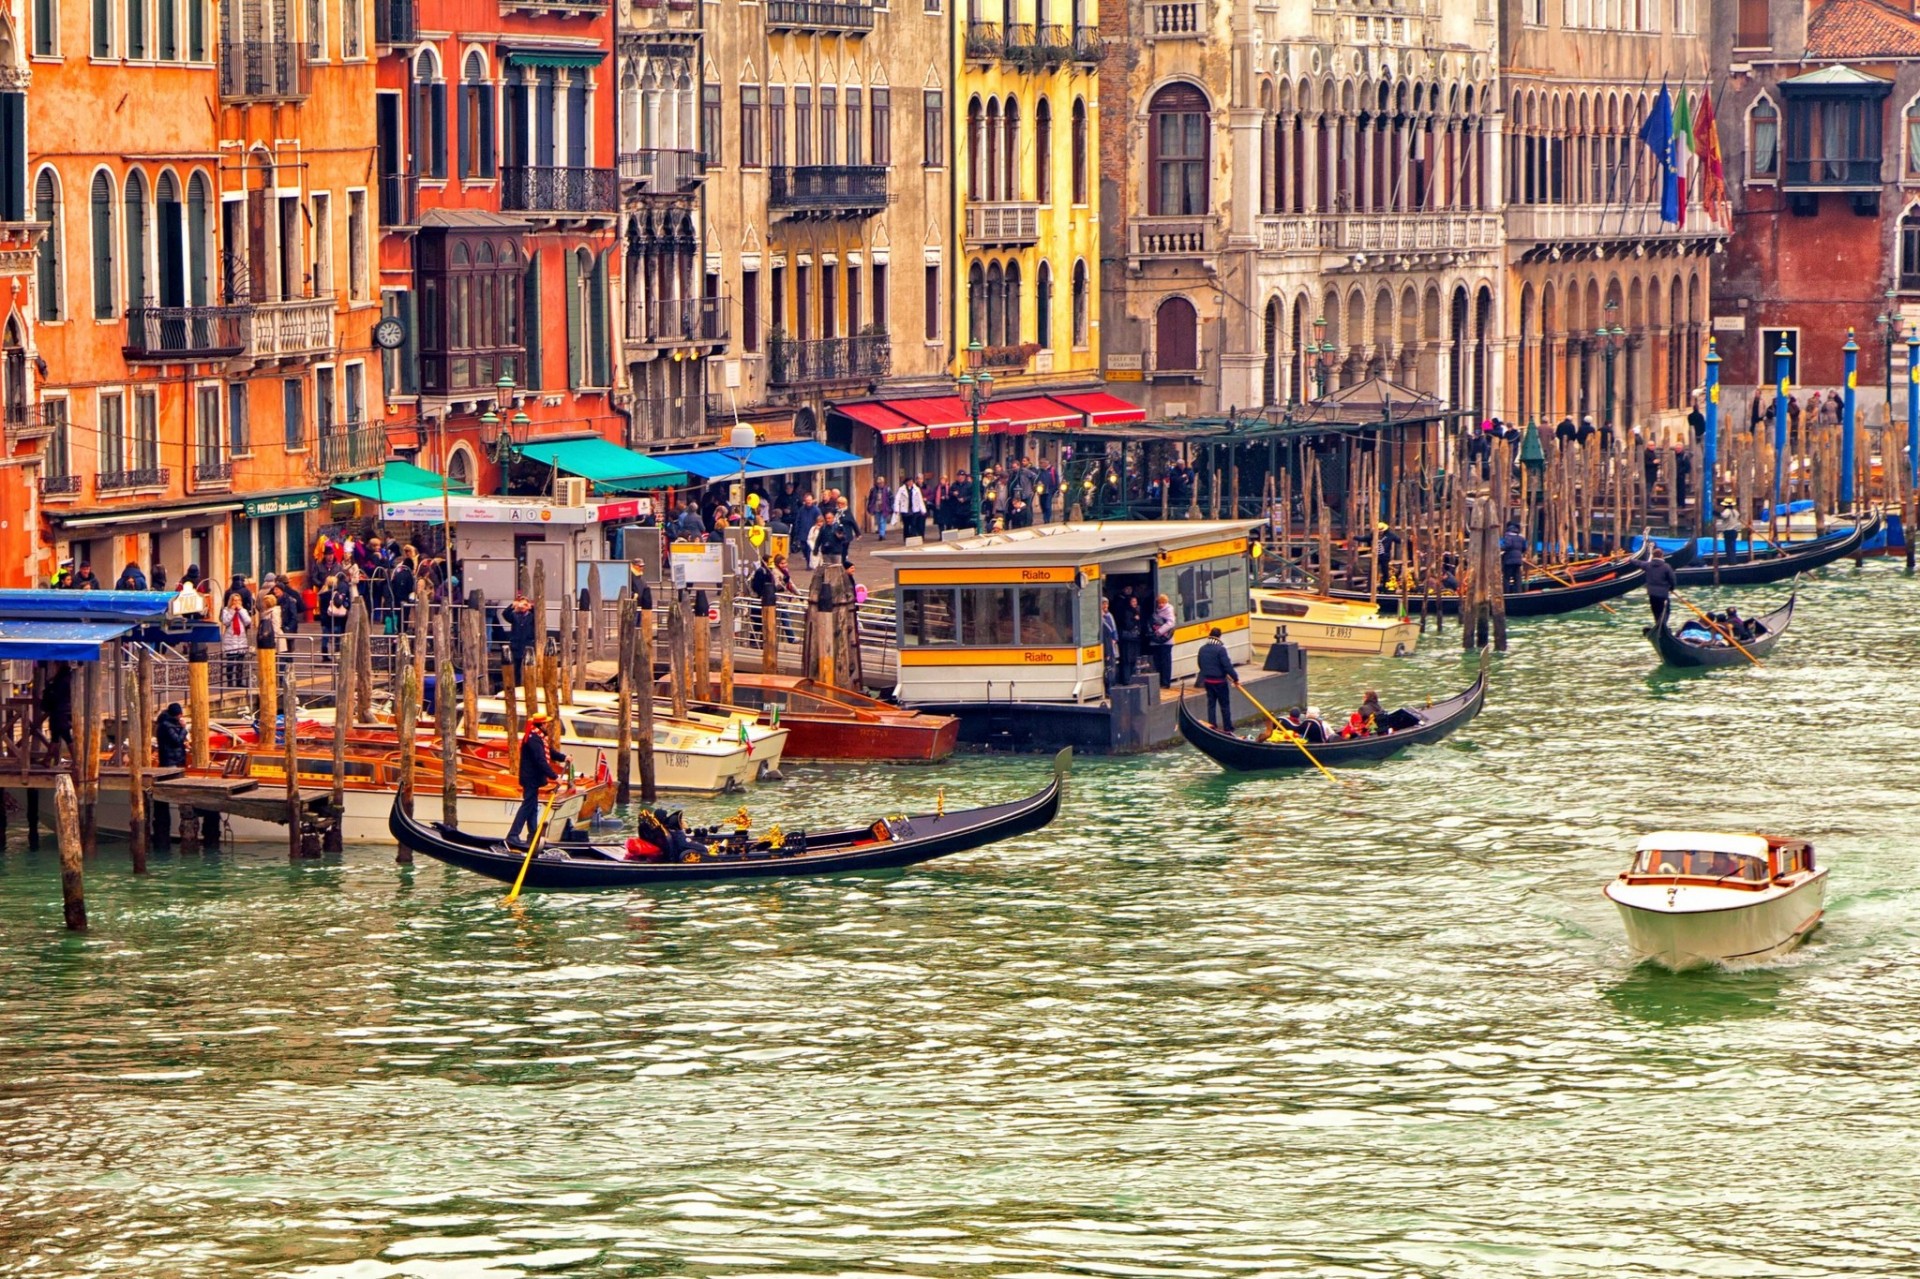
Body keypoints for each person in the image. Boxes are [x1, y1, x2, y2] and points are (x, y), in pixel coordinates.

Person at [506, 713, 564, 846]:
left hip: (533, 778)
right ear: (542, 725)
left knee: (532, 807)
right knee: (527, 806)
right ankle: (513, 835)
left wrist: (564, 757)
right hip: (530, 778)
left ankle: (533, 836)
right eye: (546, 723)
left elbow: (549, 752)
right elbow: (540, 760)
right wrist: (555, 777)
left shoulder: (538, 737)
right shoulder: (533, 739)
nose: (548, 725)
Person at [152, 701, 189, 846]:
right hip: (170, 761)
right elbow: (176, 741)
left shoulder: (167, 724)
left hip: (173, 759)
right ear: (178, 714)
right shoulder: (167, 726)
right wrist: (184, 729)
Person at [1195, 626, 1239, 731]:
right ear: (1219, 636)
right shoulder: (1220, 649)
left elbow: (1200, 664)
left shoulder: (1202, 649)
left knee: (1211, 705)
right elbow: (1227, 666)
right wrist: (1235, 678)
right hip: (1220, 682)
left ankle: (1212, 726)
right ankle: (1228, 727)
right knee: (1224, 705)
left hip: (1208, 681)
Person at [39, 663, 74, 764]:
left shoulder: (61, 680)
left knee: (66, 736)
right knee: (55, 736)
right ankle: (47, 759)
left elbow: (56, 695)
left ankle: (77, 761)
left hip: (60, 711)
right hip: (62, 710)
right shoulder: (65, 678)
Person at [501, 592, 537, 687]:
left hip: (527, 644)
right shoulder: (514, 615)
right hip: (516, 644)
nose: (523, 607)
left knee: (528, 667)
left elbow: (537, 613)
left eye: (525, 605)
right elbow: (505, 614)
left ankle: (528, 685)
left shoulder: (532, 616)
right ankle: (516, 686)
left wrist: (530, 606)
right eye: (522, 605)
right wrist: (513, 605)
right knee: (516, 668)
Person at [219, 592, 253, 689]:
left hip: (241, 639)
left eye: (238, 600)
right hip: (230, 638)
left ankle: (239, 681)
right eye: (234, 600)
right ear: (231, 601)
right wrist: (232, 611)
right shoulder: (226, 610)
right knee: (230, 662)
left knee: (240, 662)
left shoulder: (243, 611)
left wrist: (241, 610)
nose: (236, 602)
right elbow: (225, 621)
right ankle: (229, 681)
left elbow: (248, 621)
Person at [1116, 585, 1144, 686]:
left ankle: (1131, 678)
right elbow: (1127, 625)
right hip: (1127, 640)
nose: (1134, 604)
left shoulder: (1138, 611)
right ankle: (1126, 679)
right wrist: (1134, 619)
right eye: (1133, 602)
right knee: (1127, 660)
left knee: (1133, 660)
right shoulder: (1126, 612)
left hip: (1135, 639)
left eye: (1135, 602)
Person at [1148, 593, 1175, 689]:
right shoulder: (1157, 611)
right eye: (1159, 602)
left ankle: (1166, 682)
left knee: (1165, 662)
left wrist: (1159, 631)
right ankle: (1160, 682)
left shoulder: (1169, 610)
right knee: (1158, 662)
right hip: (1156, 642)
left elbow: (1171, 623)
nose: (1161, 604)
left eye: (1163, 602)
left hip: (1166, 641)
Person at [1642, 546, 1676, 623]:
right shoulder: (1666, 567)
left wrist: (1630, 560)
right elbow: (1672, 579)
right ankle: (1663, 624)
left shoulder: (1648, 565)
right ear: (1662, 556)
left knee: (1656, 611)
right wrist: (1672, 588)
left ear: (1653, 556)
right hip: (1663, 595)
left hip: (1652, 595)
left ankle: (1658, 623)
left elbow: (1639, 563)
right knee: (1666, 611)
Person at [1499, 522, 1526, 594]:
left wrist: (1500, 548)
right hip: (1518, 560)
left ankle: (1506, 593)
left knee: (1506, 578)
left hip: (1508, 561)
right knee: (1517, 577)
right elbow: (1524, 548)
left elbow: (1507, 546)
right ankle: (1518, 592)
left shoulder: (1508, 536)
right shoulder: (1521, 538)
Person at [1099, 598, 1120, 690]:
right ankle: (1108, 687)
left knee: (1111, 666)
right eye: (1103, 604)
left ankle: (1111, 686)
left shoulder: (1109, 616)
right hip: (1104, 645)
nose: (1105, 606)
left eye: (1106, 604)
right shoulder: (1100, 618)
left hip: (1111, 644)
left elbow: (1114, 629)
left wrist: (1114, 639)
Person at [866, 476, 893, 540]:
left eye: (881, 483)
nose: (880, 484)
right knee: (878, 521)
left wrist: (891, 506)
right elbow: (870, 499)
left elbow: (891, 498)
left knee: (882, 521)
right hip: (876, 507)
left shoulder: (887, 489)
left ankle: (882, 535)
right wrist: (869, 506)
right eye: (878, 483)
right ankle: (881, 533)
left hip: (885, 507)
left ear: (883, 483)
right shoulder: (873, 490)